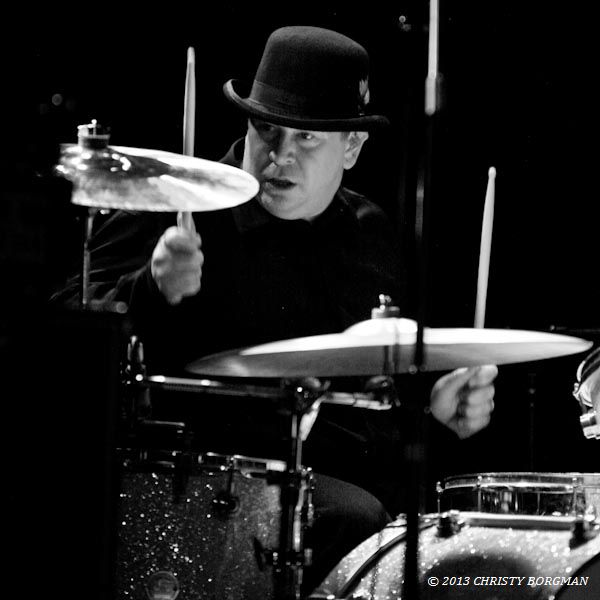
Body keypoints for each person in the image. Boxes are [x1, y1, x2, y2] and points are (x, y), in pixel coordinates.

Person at [53, 26, 497, 596]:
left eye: (307, 137)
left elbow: (371, 384)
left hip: (336, 489)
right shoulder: (181, 204)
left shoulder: (370, 234)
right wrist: (150, 288)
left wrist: (433, 402)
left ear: (352, 149)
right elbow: (61, 336)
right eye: (267, 128)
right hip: (196, 497)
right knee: (354, 517)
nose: (280, 155)